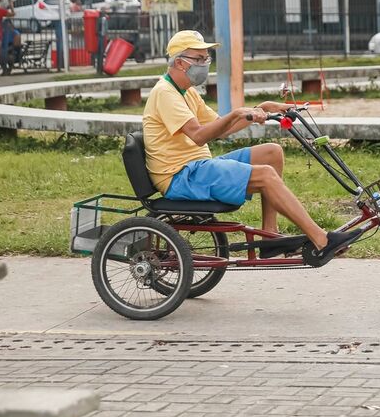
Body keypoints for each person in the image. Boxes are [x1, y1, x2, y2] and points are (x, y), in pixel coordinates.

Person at [142, 30, 362, 259]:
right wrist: (237, 113)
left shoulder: (187, 93)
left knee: (271, 153)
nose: (205, 64)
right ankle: (321, 240)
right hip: (180, 176)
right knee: (265, 175)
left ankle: (270, 237)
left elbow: (221, 128)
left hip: (197, 167)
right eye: (199, 59)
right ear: (180, 62)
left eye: (206, 59)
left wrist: (262, 108)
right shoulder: (165, 93)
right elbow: (199, 136)